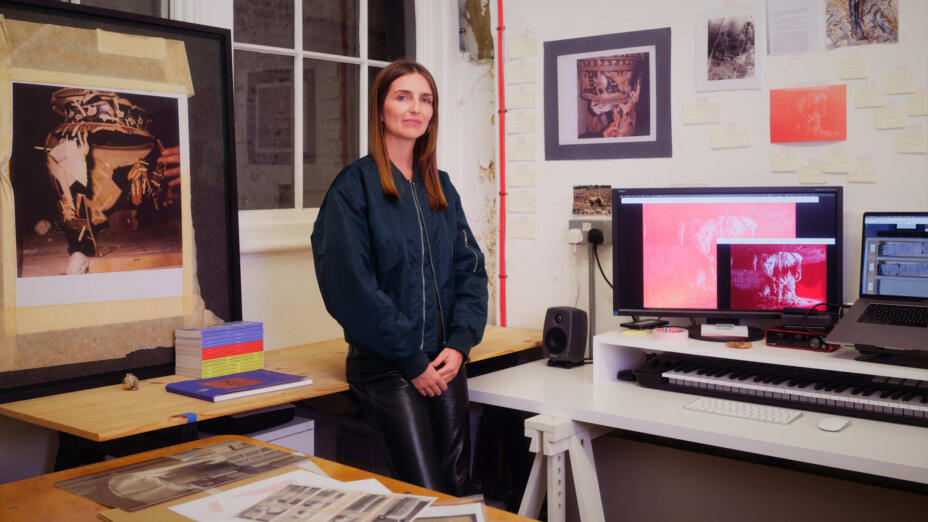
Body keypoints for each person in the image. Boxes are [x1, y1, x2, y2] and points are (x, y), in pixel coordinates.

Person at [311, 60, 488, 496]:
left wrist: (461, 343)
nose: (416, 108)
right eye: (402, 96)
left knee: (458, 486)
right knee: (422, 490)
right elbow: (351, 287)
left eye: (425, 99)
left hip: (445, 361)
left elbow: (470, 268)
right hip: (387, 367)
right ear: (380, 110)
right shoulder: (353, 188)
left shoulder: (440, 187)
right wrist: (410, 359)